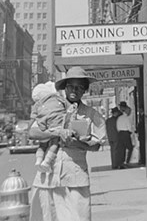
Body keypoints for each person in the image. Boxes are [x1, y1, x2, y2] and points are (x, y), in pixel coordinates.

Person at [29, 66, 106, 221]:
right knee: (47, 216)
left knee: (79, 217)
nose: (74, 90)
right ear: (65, 87)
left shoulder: (92, 115)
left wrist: (75, 142)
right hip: (47, 177)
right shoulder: (51, 106)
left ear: (85, 91)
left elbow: (97, 145)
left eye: (79, 87)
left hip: (75, 177)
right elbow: (32, 132)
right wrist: (56, 133)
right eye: (71, 86)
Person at [30, 80, 67, 172]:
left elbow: (33, 117)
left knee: (42, 145)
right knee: (55, 143)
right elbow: (67, 107)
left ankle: (38, 160)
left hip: (42, 124)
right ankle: (47, 161)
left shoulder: (38, 103)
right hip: (56, 124)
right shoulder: (58, 99)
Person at [116, 102, 134, 168]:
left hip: (120, 134)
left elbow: (117, 127)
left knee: (121, 149)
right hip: (126, 133)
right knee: (130, 148)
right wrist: (131, 132)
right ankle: (127, 161)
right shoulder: (126, 118)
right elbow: (129, 127)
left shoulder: (119, 118)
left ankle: (121, 163)